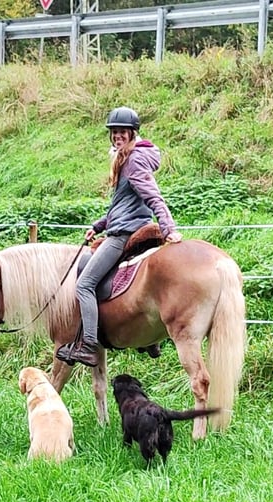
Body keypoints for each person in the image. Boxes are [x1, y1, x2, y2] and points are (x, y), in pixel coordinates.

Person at [56, 106, 183, 368]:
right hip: (127, 226)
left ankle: (89, 345)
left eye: (122, 132)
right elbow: (124, 204)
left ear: (133, 133)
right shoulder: (128, 158)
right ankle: (148, 338)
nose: (117, 137)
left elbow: (152, 196)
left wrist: (169, 229)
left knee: (84, 285)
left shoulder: (133, 161)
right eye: (114, 133)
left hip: (123, 234)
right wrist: (99, 225)